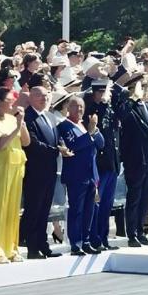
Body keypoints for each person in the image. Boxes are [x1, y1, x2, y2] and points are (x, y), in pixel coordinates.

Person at [0, 86, 30, 263]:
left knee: (13, 210)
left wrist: (21, 125)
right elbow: (0, 144)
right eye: (10, 100)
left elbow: (26, 142)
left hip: (17, 166)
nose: (13, 104)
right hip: (1, 168)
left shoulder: (13, 119)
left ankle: (11, 248)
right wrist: (16, 127)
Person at [21, 86, 66, 259]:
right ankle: (32, 247)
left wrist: (61, 146)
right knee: (34, 209)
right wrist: (55, 150)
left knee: (44, 210)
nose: (44, 98)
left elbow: (57, 138)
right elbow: (32, 144)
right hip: (34, 171)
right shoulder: (28, 117)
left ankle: (43, 244)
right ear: (31, 97)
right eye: (40, 95)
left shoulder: (50, 116)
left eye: (47, 95)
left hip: (50, 170)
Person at [58, 96, 105, 256]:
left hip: (91, 174)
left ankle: (86, 240)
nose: (79, 110)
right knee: (76, 210)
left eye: (81, 107)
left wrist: (94, 131)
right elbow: (74, 145)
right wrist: (90, 133)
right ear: (68, 108)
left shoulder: (84, 126)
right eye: (75, 106)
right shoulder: (64, 127)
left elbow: (101, 144)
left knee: (89, 210)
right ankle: (75, 243)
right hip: (76, 175)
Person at [119, 80, 148, 247]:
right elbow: (122, 116)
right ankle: (132, 234)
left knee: (145, 198)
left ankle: (140, 230)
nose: (143, 90)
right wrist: (130, 98)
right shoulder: (129, 106)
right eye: (139, 87)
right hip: (135, 158)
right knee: (134, 197)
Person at [86, 78, 121, 251]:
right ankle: (95, 238)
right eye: (101, 92)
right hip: (100, 163)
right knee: (97, 204)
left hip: (112, 162)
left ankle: (104, 238)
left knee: (107, 205)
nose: (104, 95)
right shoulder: (92, 110)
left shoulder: (109, 109)